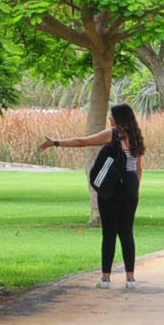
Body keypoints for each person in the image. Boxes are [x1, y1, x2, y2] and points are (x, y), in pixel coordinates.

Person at [39, 103, 147, 289]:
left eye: (111, 115)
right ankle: (130, 278)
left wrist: (55, 142)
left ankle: (105, 278)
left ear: (118, 118)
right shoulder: (136, 137)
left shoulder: (112, 134)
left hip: (111, 189)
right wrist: (134, 191)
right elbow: (138, 168)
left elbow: (82, 141)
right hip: (130, 189)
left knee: (109, 233)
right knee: (127, 233)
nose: (109, 118)